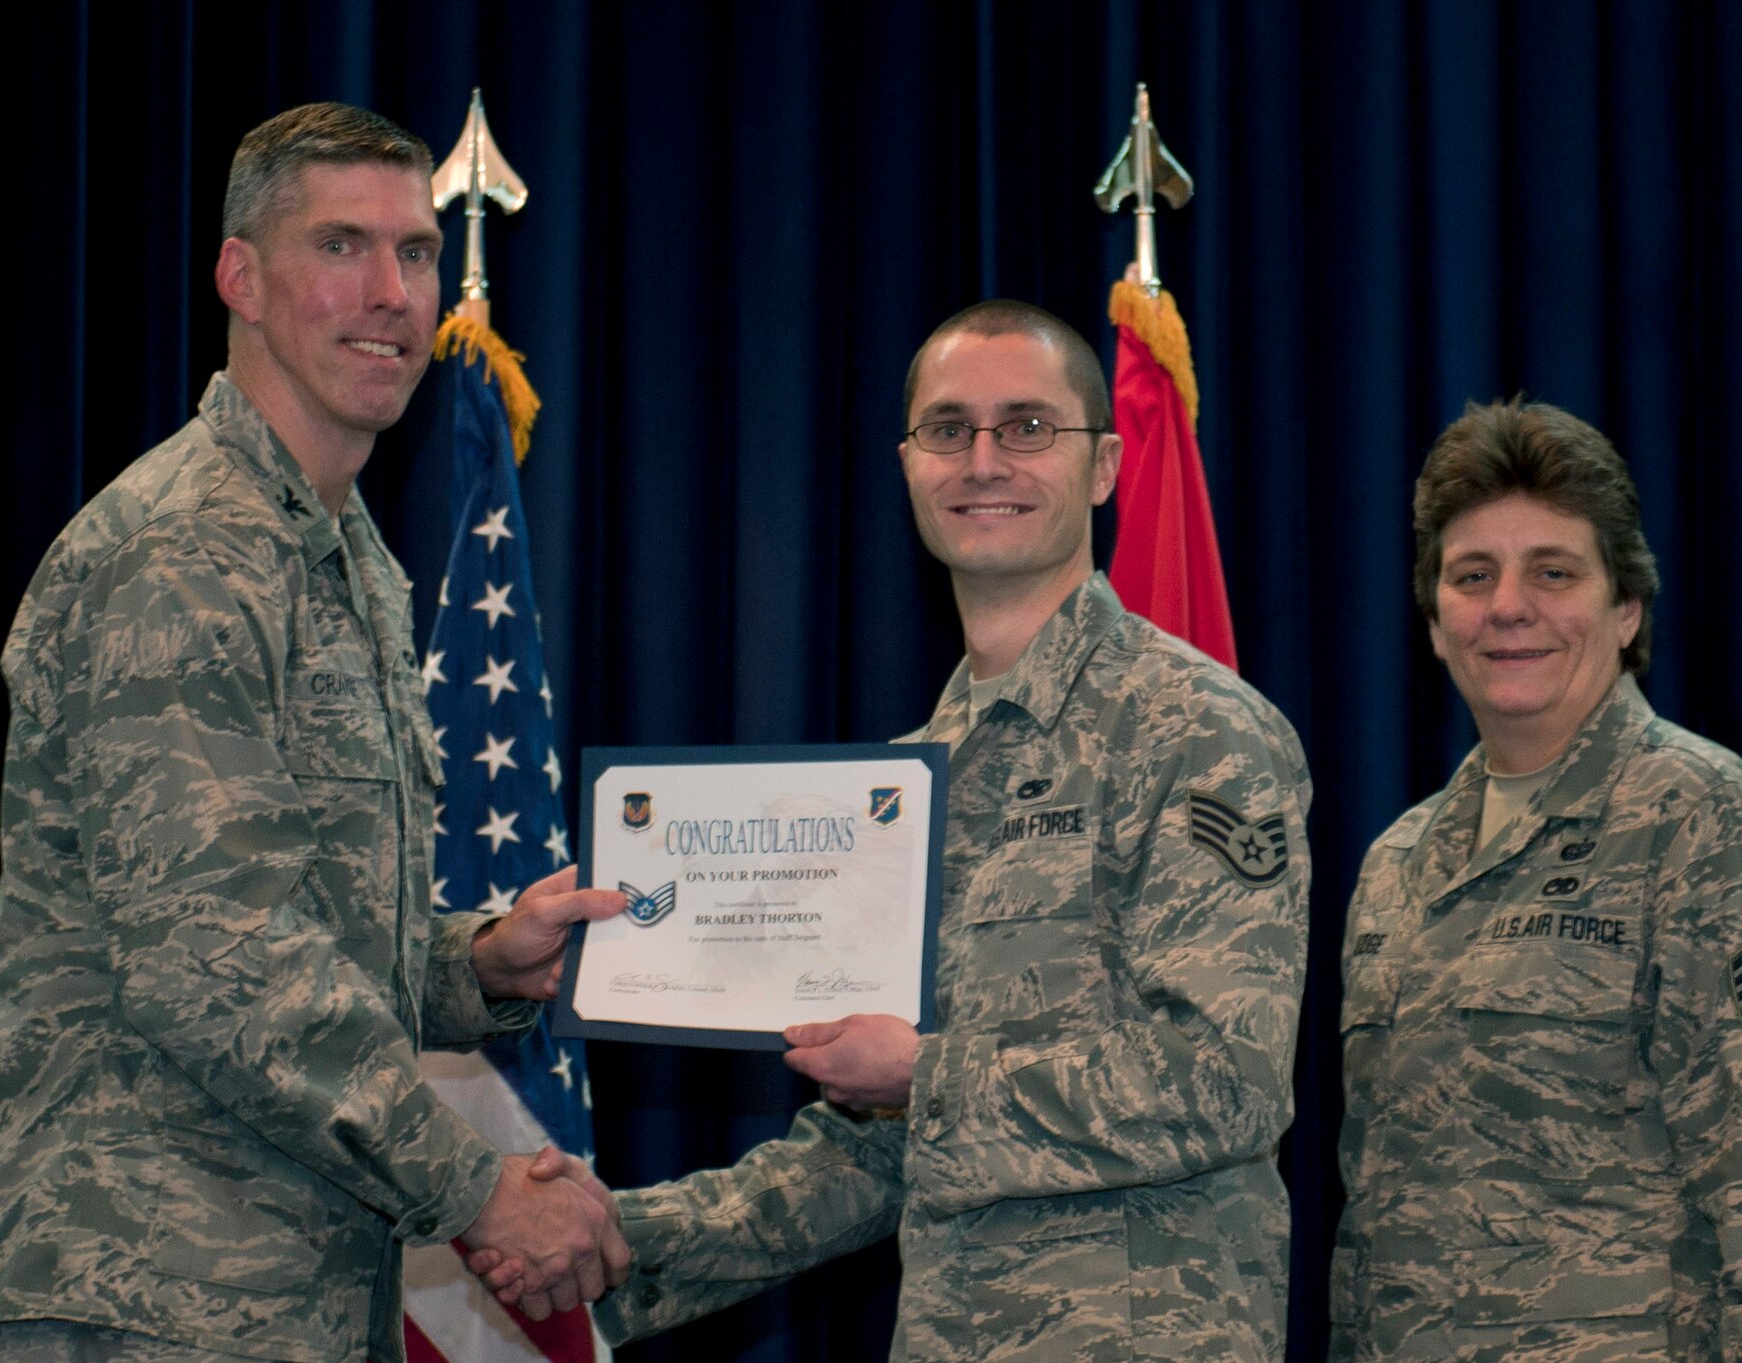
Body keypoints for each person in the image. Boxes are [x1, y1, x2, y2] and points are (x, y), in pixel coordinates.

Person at [477, 300, 1313, 1360]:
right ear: (907, 462)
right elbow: (864, 1158)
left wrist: (928, 1074)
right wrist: (609, 1242)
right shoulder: (899, 786)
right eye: (946, 428)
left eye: (1025, 427)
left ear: (1101, 467)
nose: (981, 460)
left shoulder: (1199, 730)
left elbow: (1221, 1084)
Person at [0, 102, 628, 1363]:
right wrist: (476, 1187)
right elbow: (217, 954)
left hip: (283, 1293)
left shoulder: (342, 557)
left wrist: (476, 962)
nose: (390, 293)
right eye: (340, 246)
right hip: (137, 1285)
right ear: (240, 278)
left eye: (416, 253)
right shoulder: (182, 551)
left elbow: (304, 920)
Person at [1331, 398, 1742, 1361]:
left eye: (1554, 571)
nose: (1508, 606)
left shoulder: (1709, 824)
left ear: (1625, 609)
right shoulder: (1397, 867)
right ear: (1432, 620)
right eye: (1472, 575)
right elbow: (1373, 1225)